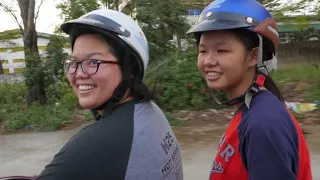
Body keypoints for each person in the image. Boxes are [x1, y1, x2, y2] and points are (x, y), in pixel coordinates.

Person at [35, 9, 183, 180]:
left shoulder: (92, 147)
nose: (79, 73)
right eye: (74, 62)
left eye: (93, 62)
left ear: (130, 69)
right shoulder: (150, 112)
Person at [186, 0, 312, 179]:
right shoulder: (251, 109)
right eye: (203, 51)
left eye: (221, 51)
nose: (208, 61)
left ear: (253, 56)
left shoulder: (263, 123)